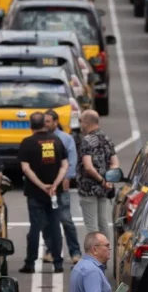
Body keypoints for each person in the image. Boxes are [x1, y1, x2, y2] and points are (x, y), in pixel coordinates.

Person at [18, 112, 68, 274]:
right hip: (55, 193)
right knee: (55, 226)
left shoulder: (27, 143)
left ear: (30, 125)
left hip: (35, 193)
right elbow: (64, 165)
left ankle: (30, 263)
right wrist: (55, 184)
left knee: (35, 228)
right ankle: (58, 263)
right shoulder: (56, 140)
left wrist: (41, 185)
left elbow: (26, 168)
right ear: (44, 124)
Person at [45, 110, 82, 265]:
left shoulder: (66, 139)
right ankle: (51, 251)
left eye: (48, 121)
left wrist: (68, 177)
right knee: (47, 221)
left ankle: (75, 252)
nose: (45, 124)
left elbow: (72, 160)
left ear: (55, 121)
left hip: (61, 185)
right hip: (46, 186)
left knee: (66, 219)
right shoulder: (42, 139)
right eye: (44, 121)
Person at [78, 109, 120, 240]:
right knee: (103, 223)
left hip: (88, 188)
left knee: (91, 225)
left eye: (81, 121)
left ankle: (94, 255)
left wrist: (101, 180)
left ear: (86, 122)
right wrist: (108, 181)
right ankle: (105, 253)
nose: (80, 125)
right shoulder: (107, 139)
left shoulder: (87, 140)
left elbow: (88, 167)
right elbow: (115, 163)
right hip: (104, 189)